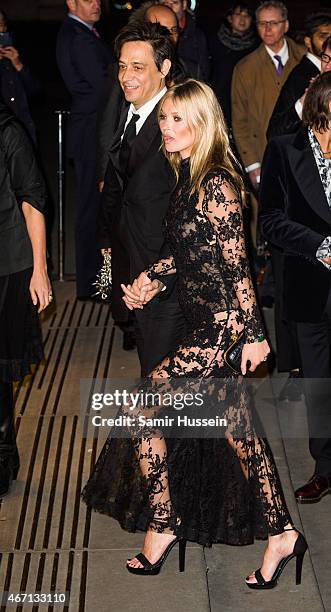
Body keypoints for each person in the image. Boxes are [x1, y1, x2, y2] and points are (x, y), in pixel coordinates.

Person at [82, 79, 307, 588]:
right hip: (206, 322)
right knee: (239, 431)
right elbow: (188, 254)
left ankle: (164, 524)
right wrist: (150, 279)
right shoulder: (189, 178)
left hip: (221, 328)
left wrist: (252, 334)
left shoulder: (218, 186)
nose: (166, 127)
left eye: (177, 119)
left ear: (202, 123)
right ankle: (282, 534)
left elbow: (239, 269)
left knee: (142, 413)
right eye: (164, 119)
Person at [97, 22, 186, 376]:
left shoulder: (179, 120)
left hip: (168, 278)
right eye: (122, 66)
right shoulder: (127, 111)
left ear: (164, 69)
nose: (126, 76)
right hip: (131, 264)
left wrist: (161, 272)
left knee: (166, 385)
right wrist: (107, 239)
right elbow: (117, 185)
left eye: (138, 67)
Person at [260, 72, 331, 504]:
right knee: (319, 386)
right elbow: (269, 219)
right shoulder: (285, 151)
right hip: (309, 288)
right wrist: (320, 245)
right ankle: (325, 468)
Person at [0, 99, 52, 497]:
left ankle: (2, 454)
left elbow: (32, 199)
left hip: (8, 265)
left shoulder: (8, 132)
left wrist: (39, 269)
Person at [56, 0, 112, 300]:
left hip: (89, 129)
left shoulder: (82, 32)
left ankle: (93, 280)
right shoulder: (78, 37)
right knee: (91, 208)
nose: (97, 3)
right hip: (91, 131)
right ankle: (91, 283)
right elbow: (102, 85)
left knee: (93, 207)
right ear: (71, 2)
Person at [268, 12, 331, 139]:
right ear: (307, 41)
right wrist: (303, 102)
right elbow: (275, 131)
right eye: (323, 36)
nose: (327, 65)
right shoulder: (303, 78)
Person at [209, 2, 259, 128]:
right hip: (218, 99)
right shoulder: (214, 40)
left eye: (247, 16)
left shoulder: (257, 45)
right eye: (238, 14)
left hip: (245, 101)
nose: (242, 19)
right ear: (230, 18)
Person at [0, 8, 40, 144]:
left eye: (2, 25)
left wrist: (18, 66)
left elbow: (36, 93)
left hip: (20, 134)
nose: (1, 30)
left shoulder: (15, 57)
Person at [159, 0, 209, 80]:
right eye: (164, 3)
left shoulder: (197, 35)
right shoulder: (147, 33)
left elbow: (204, 72)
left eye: (174, 2)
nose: (169, 7)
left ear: (184, 5)